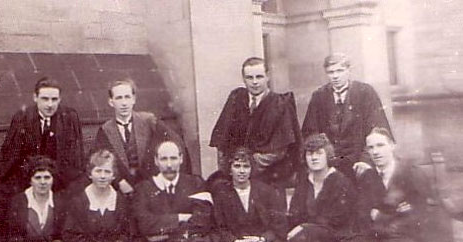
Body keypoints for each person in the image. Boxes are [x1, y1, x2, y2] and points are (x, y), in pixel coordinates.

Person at [0, 76, 84, 234]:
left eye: (54, 99)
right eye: (45, 99)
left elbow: (76, 155)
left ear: (60, 99)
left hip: (58, 177)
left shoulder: (69, 117)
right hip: (27, 177)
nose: (50, 105)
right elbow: (10, 152)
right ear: (35, 97)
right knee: (0, 198)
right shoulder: (23, 117)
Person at [209, 57, 301, 187]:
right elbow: (222, 143)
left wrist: (248, 166)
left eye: (259, 77)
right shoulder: (236, 99)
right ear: (243, 79)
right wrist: (231, 170)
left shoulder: (280, 104)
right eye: (249, 78)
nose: (255, 82)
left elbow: (279, 151)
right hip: (236, 175)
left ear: (267, 77)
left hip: (268, 177)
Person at [91, 79, 190, 196]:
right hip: (122, 191)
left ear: (134, 99)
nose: (124, 103)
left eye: (127, 97)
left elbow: (176, 145)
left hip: (152, 188)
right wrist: (119, 182)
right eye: (119, 98)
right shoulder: (106, 130)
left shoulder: (150, 122)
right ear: (111, 102)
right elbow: (100, 161)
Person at [302, 53, 392, 181]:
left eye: (340, 71)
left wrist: (366, 160)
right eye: (331, 72)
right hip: (331, 166)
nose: (335, 76)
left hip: (359, 165)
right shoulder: (319, 96)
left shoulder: (365, 92)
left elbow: (377, 130)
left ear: (349, 70)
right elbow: (310, 133)